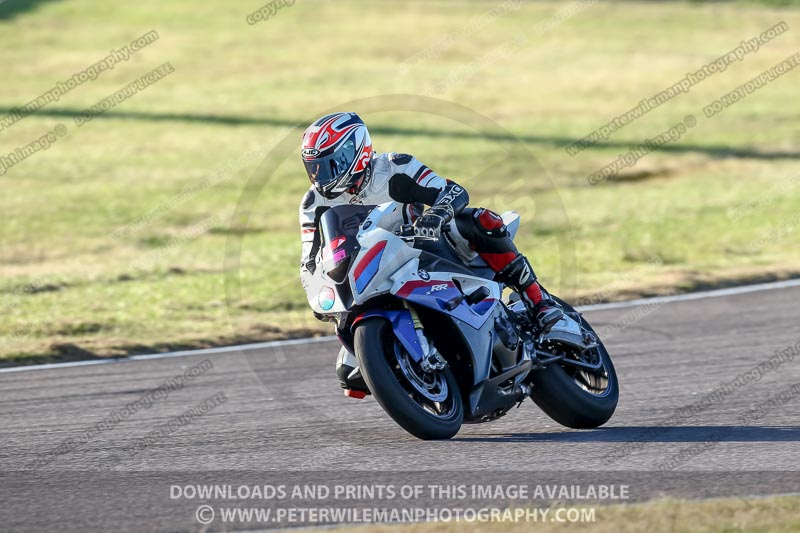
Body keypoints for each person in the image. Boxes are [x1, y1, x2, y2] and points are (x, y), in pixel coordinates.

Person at [299, 112, 563, 395]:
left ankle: (538, 300)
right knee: (349, 375)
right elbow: (309, 260)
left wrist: (436, 215)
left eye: (329, 164)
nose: (320, 176)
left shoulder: (394, 166)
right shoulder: (313, 203)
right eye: (313, 168)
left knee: (478, 221)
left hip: (422, 248)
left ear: (356, 152)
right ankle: (416, 381)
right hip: (368, 272)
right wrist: (319, 291)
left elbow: (452, 191)